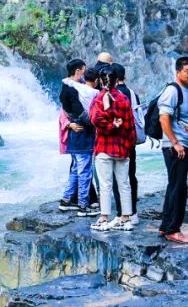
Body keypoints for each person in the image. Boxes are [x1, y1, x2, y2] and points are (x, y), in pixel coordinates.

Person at [89, 68, 136, 232]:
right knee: (124, 184)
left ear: (101, 81)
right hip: (122, 147)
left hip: (104, 146)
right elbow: (131, 125)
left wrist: (110, 127)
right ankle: (126, 218)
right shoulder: (124, 99)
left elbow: (95, 119)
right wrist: (129, 144)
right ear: (117, 81)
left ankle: (104, 219)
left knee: (105, 184)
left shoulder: (98, 98)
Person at [158, 56, 188, 244]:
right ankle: (173, 229)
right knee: (179, 188)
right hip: (175, 147)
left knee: (174, 185)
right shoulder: (172, 91)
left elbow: (185, 119)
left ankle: (165, 226)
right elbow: (164, 118)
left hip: (183, 144)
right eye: (187, 71)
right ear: (178, 72)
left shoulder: (187, 90)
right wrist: (175, 142)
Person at [58, 59, 98, 215]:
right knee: (84, 170)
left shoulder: (67, 86)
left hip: (74, 135)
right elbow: (80, 113)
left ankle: (66, 201)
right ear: (78, 71)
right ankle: (83, 205)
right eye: (84, 69)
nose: (85, 72)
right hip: (82, 134)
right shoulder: (73, 90)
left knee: (76, 169)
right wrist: (95, 122)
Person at [112, 63, 141, 223]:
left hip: (117, 141)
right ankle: (133, 213)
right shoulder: (132, 93)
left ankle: (122, 214)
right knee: (131, 175)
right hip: (131, 140)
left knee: (118, 178)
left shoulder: (113, 94)